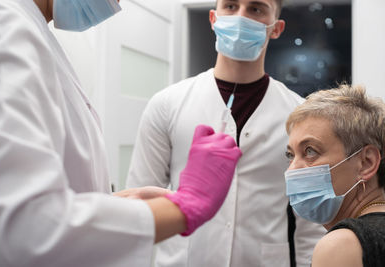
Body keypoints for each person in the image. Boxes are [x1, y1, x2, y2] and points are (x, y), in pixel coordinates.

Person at [0, 0, 242, 266]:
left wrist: (113, 205)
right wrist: (188, 205)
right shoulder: (2, 23)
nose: (117, 3)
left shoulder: (33, 30)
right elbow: (24, 229)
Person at [126, 0, 325, 266]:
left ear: (276, 28)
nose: (241, 17)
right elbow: (137, 203)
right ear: (213, 19)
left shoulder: (301, 114)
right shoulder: (167, 104)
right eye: (231, 6)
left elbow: (310, 222)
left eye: (256, 8)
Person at [285, 84, 385, 267]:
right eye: (290, 155)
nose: (292, 170)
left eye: (310, 151)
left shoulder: (342, 244)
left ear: (366, 163)